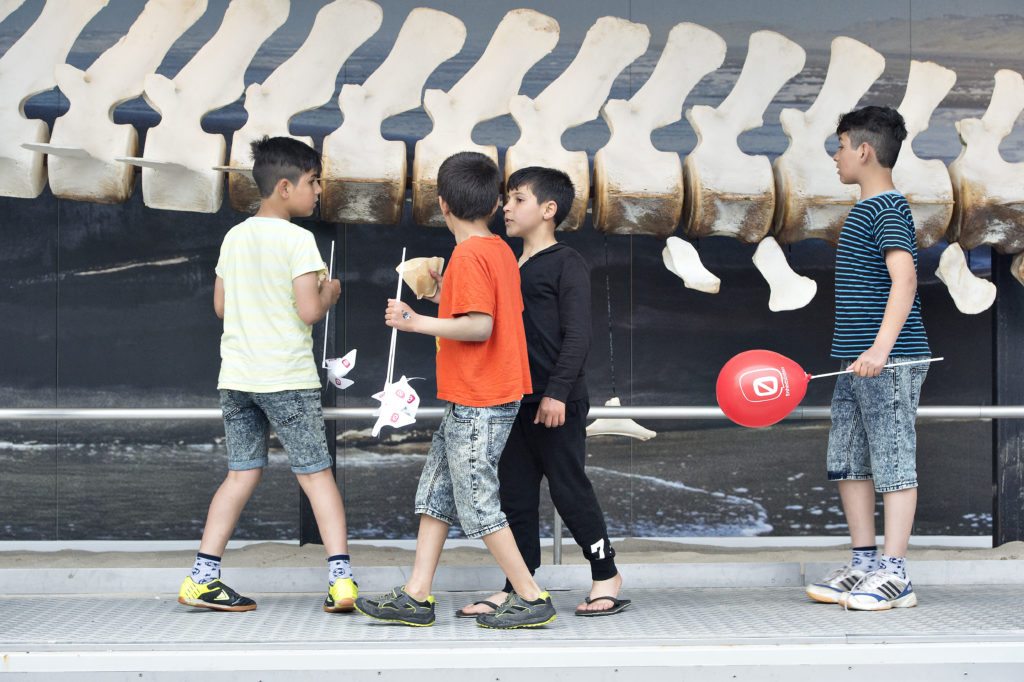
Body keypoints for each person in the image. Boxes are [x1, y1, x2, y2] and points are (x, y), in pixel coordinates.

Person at [353, 151, 556, 629]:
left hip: (479, 398)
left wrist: (414, 320)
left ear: (442, 204)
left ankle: (529, 596)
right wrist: (443, 296)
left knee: (477, 501)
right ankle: (416, 595)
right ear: (492, 205)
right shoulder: (499, 250)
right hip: (486, 395)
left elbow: (480, 326)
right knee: (437, 494)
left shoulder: (468, 255)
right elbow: (487, 313)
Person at [178, 136, 356, 614]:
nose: (318, 191)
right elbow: (307, 312)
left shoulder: (234, 237)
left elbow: (220, 306)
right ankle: (340, 580)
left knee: (240, 474)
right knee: (317, 476)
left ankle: (203, 576)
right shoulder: (299, 240)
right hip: (287, 378)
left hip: (236, 377)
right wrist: (330, 292)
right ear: (284, 186)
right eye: (313, 182)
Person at [455, 166, 628, 619]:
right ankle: (520, 584)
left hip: (556, 400)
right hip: (514, 398)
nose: (506, 208)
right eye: (506, 200)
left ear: (548, 210)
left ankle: (606, 574)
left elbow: (577, 336)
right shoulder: (511, 264)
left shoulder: (567, 262)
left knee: (569, 489)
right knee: (514, 494)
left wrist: (556, 393)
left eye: (517, 199)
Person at [805, 106, 930, 610]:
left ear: (864, 150)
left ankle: (895, 573)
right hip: (854, 362)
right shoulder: (864, 210)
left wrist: (881, 351)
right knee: (849, 460)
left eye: (839, 147)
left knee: (893, 461)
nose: (835, 157)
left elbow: (906, 280)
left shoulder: (887, 208)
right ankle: (864, 563)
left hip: (889, 361)